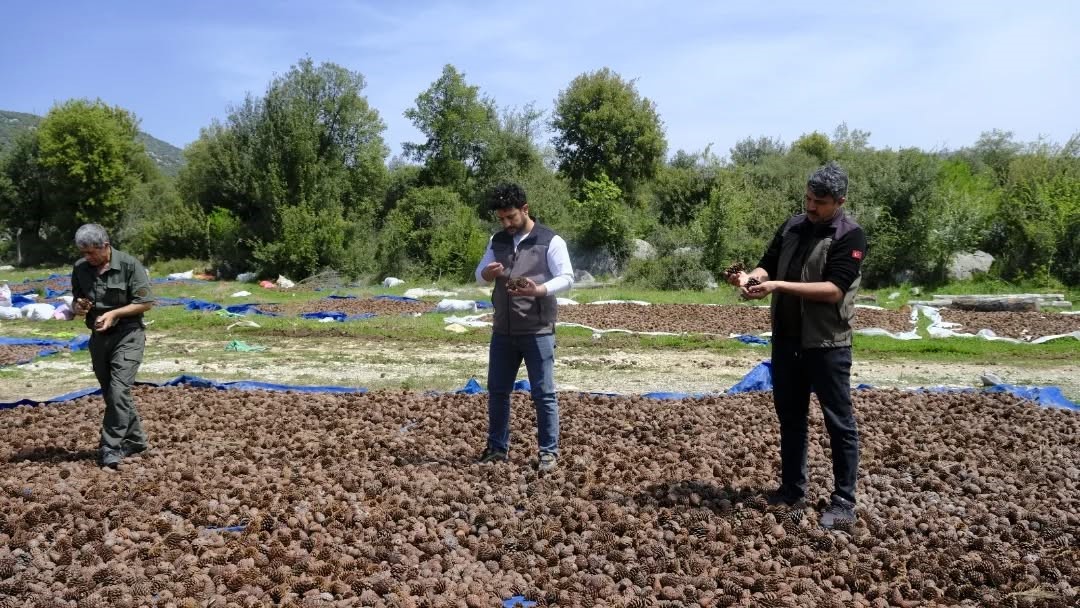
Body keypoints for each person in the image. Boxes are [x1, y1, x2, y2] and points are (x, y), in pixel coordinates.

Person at [728, 162, 866, 529]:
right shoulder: (792, 226)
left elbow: (834, 289)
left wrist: (777, 286)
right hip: (787, 340)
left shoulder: (850, 236)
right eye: (807, 199)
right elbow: (768, 264)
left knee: (839, 422)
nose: (811, 207)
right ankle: (791, 489)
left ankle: (843, 501)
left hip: (827, 343)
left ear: (840, 202)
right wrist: (750, 278)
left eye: (819, 202)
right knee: (790, 418)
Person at [475, 183, 574, 473]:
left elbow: (567, 277)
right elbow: (480, 275)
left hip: (537, 329)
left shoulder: (550, 240)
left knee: (543, 393)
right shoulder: (497, 240)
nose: (506, 224)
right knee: (497, 391)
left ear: (525, 209)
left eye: (511, 217)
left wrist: (540, 289)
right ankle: (497, 448)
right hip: (503, 331)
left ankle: (548, 453)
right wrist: (486, 273)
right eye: (501, 219)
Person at [70, 224, 155, 470]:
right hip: (99, 338)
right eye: (83, 253)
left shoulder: (129, 265)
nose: (87, 257)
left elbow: (146, 302)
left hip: (128, 335)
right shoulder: (80, 268)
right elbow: (76, 300)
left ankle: (110, 447)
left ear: (105, 246)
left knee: (119, 391)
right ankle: (136, 441)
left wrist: (114, 313)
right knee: (112, 394)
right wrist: (79, 307)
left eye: (91, 252)